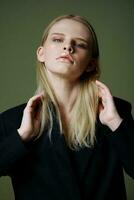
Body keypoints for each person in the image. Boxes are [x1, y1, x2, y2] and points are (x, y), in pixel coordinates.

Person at [0, 14, 134, 200]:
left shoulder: (116, 111)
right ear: (41, 53)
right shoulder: (12, 121)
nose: (68, 46)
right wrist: (21, 136)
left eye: (80, 44)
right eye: (57, 39)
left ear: (91, 64)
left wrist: (114, 123)